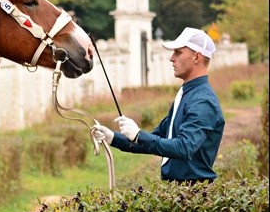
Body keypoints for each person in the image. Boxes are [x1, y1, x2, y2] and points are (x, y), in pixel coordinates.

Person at [92, 27, 225, 184]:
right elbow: (155, 140)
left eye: (178, 52)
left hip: (192, 195)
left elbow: (184, 147)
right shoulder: (188, 94)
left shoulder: (202, 101)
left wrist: (138, 135)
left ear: (197, 57)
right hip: (178, 192)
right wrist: (113, 137)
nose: (171, 58)